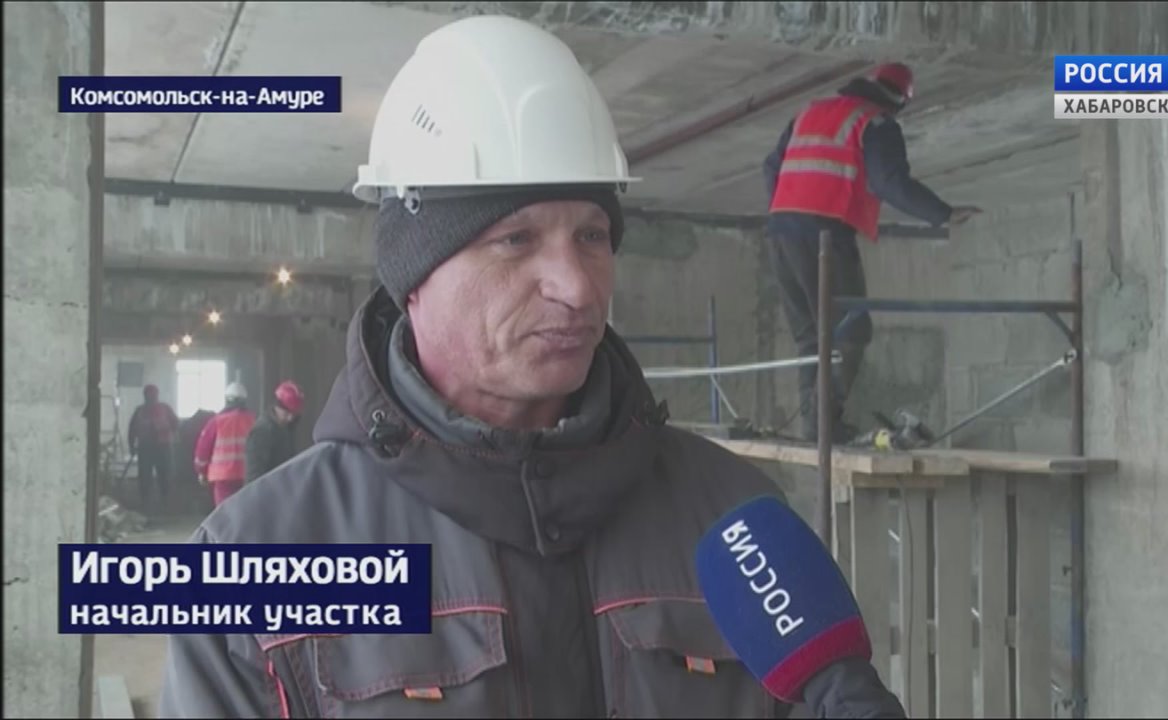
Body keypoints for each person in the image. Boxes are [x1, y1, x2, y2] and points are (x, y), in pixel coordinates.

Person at [160, 15, 903, 719]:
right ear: (413, 275)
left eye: (592, 236)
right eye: (515, 240)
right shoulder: (255, 558)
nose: (577, 287)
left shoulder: (733, 519)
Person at [764, 62, 983, 443]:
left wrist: (785, 210)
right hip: (825, 235)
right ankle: (823, 423)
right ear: (899, 101)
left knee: (811, 337)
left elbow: (771, 167)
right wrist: (942, 214)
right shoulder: (876, 122)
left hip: (781, 233)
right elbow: (888, 181)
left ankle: (815, 427)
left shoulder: (810, 112)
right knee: (851, 330)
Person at [191, 382, 256, 508]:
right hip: (247, 475)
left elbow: (203, 450)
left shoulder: (216, 421)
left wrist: (201, 471)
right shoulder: (253, 420)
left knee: (225, 513)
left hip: (223, 478)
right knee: (244, 511)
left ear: (227, 399)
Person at [126, 384, 178, 512]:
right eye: (148, 395)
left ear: (157, 396)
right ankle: (145, 502)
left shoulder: (165, 409)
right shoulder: (139, 411)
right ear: (145, 396)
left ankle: (166, 502)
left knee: (164, 475)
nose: (151, 398)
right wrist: (131, 446)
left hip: (163, 447)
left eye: (153, 395)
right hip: (146, 448)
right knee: (145, 476)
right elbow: (132, 430)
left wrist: (172, 437)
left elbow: (176, 424)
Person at [243, 380, 304, 483]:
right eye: (286, 413)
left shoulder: (287, 428)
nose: (290, 418)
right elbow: (254, 474)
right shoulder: (262, 431)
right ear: (276, 406)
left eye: (294, 414)